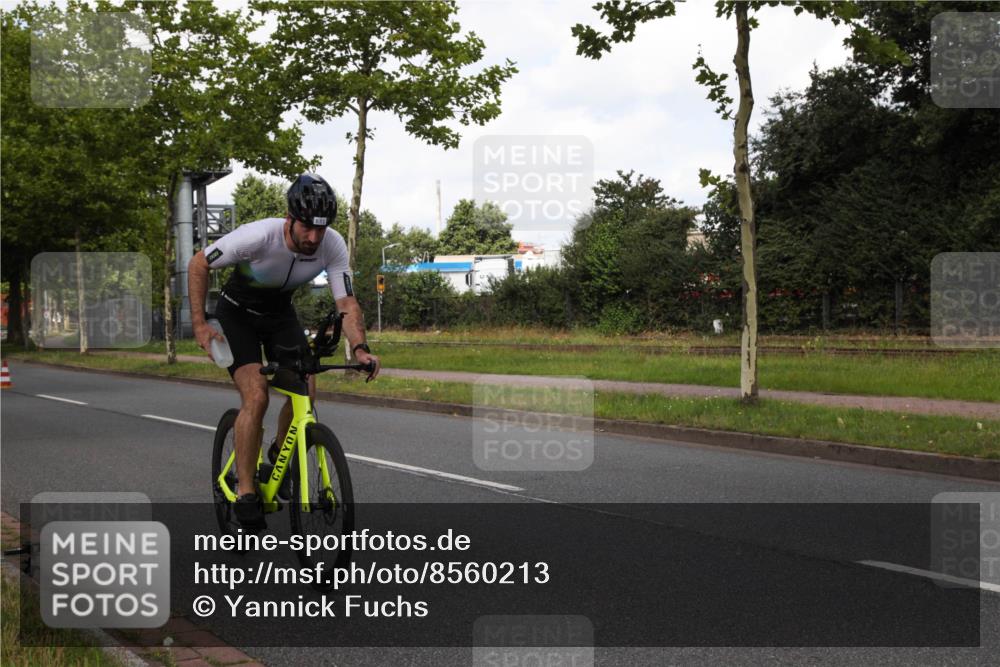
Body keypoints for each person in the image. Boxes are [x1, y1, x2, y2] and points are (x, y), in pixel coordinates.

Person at [187, 173, 380, 528]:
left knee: (304, 388)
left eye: (321, 230)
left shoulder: (332, 245)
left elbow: (347, 302)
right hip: (238, 315)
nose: (314, 238)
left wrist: (360, 348)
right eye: (307, 228)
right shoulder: (257, 236)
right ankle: (246, 492)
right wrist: (200, 324)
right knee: (257, 396)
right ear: (290, 219)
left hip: (279, 316)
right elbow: (198, 264)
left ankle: (278, 453)